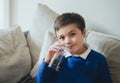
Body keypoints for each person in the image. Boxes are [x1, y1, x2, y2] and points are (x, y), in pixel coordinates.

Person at [36, 12, 113, 83]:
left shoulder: (98, 60)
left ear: (84, 33)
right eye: (62, 38)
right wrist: (47, 60)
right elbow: (40, 81)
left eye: (72, 34)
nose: (67, 41)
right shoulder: (57, 58)